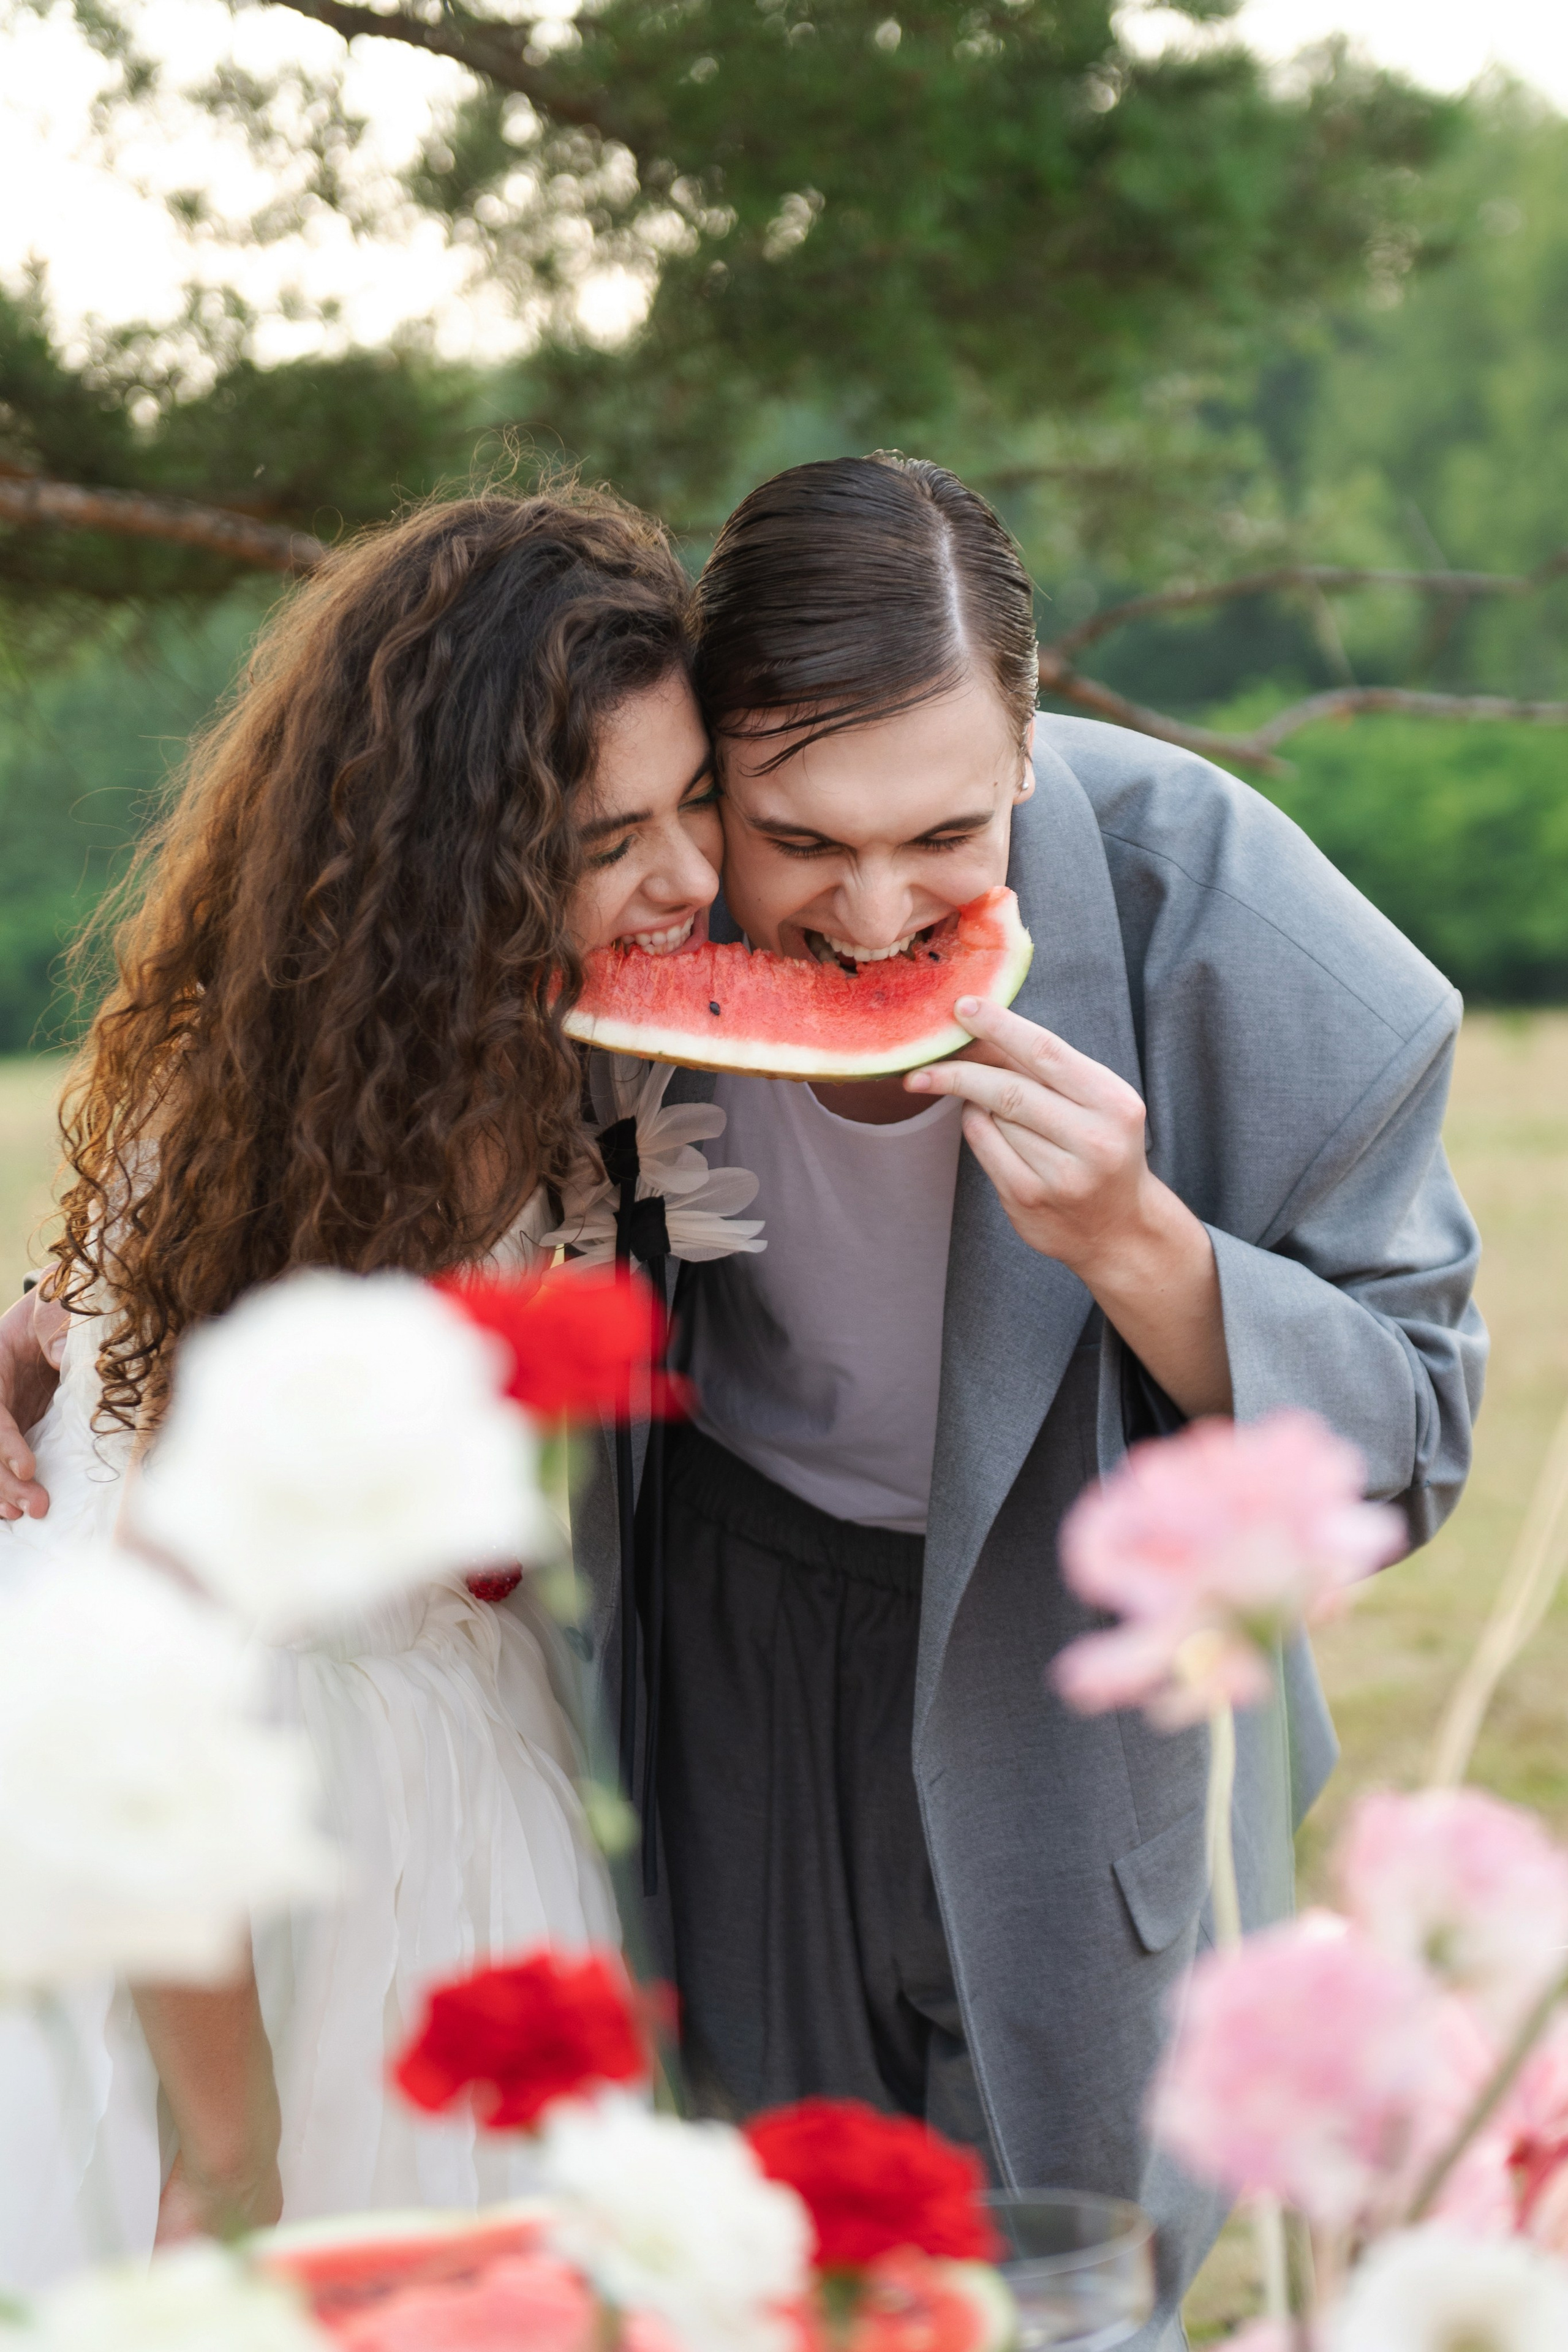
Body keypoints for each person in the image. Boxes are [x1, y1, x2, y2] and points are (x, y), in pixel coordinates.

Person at [566, 455, 1488, 2348]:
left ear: (1031, 734)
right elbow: (314, 1081)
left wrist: (1140, 1244)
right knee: (776, 2272)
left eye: (947, 835)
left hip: (1080, 1659)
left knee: (1067, 2287)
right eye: (797, 839)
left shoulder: (1237, 923)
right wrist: (58, 1321)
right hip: (739, 1620)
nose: (874, 917)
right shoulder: (623, 890)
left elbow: (1414, 1441)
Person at [0, 485, 725, 2286]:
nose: (690, 879)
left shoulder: (471, 1038)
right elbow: (151, 1694)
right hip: (238, 1845)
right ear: (455, 863)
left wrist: (38, 1326)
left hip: (445, 1734)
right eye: (608, 839)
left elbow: (93, 1309)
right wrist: (225, 2153)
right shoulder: (325, 1138)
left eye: (697, 799)